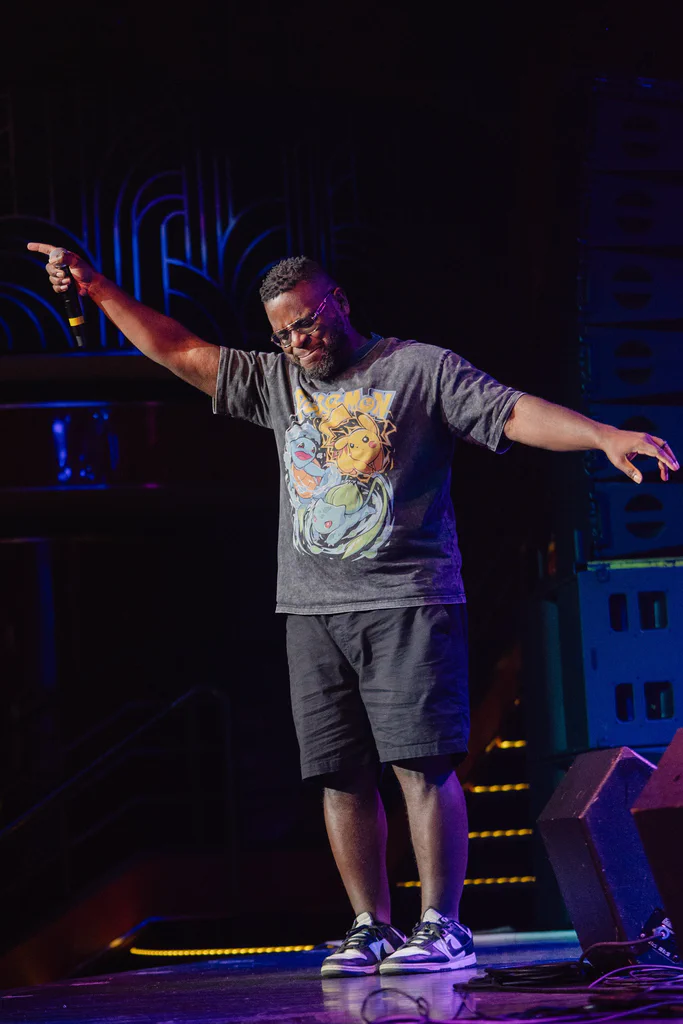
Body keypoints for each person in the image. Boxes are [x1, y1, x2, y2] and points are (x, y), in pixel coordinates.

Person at [27, 242, 679, 977]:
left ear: (336, 302)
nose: (297, 342)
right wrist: (98, 287)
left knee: (419, 764)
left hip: (408, 599)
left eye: (306, 323)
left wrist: (603, 436)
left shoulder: (417, 368)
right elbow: (178, 348)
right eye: (282, 334)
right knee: (338, 773)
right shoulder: (275, 382)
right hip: (310, 610)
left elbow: (510, 410)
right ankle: (370, 924)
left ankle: (443, 925)